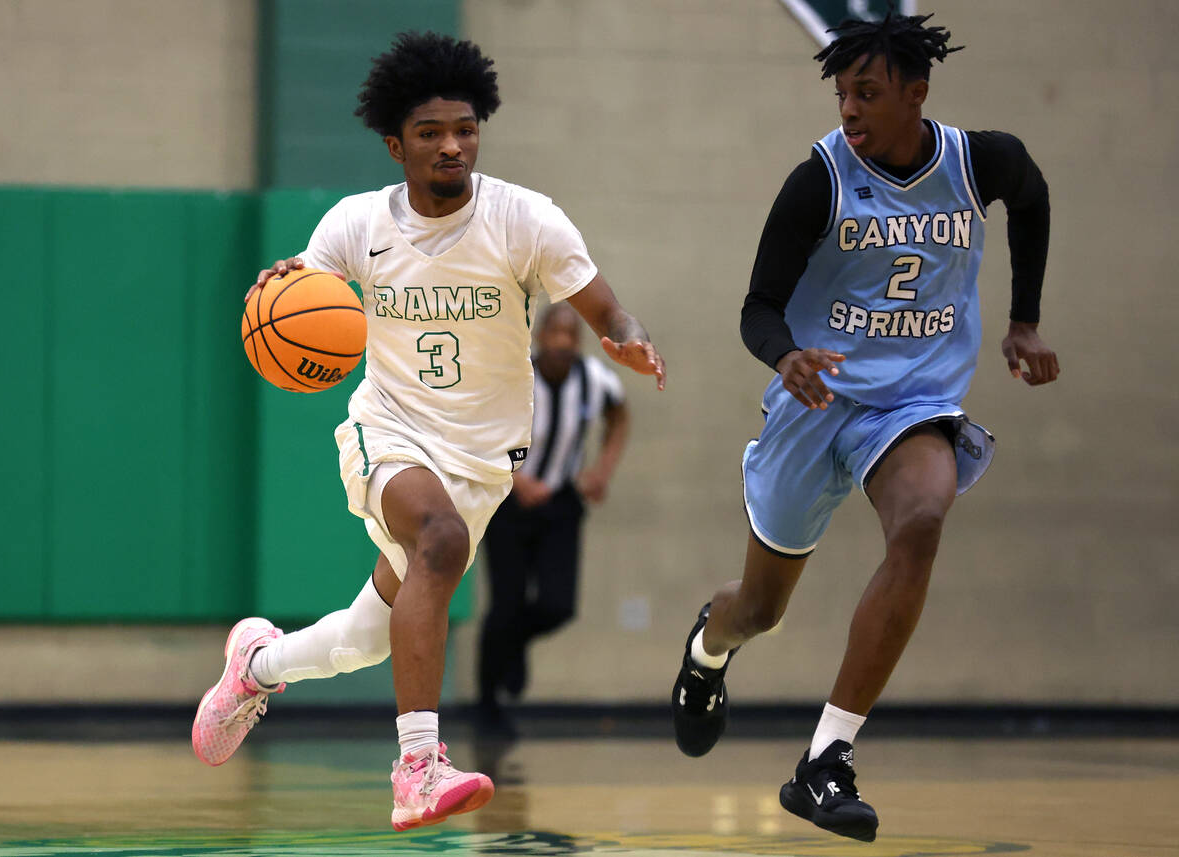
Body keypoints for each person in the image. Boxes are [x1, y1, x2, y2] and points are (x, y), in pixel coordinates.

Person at [190, 31, 665, 832]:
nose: (452, 145)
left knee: (366, 639)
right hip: (390, 433)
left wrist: (626, 333)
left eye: (466, 129)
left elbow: (603, 305)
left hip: (482, 460)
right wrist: (281, 282)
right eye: (431, 132)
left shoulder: (525, 218)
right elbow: (302, 289)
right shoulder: (357, 223)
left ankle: (257, 664)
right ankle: (417, 768)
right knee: (438, 541)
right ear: (394, 143)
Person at [669, 10, 1058, 844]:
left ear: (917, 94)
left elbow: (1032, 196)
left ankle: (825, 761)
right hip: (816, 402)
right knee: (761, 610)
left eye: (868, 93)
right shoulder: (820, 179)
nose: (849, 109)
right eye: (844, 93)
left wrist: (1023, 319)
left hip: (913, 401)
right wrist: (785, 359)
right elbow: (757, 307)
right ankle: (708, 647)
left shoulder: (980, 159)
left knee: (921, 520)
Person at [477, 302, 630, 731]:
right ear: (540, 337)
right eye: (555, 333)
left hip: (561, 503)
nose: (563, 342)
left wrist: (602, 470)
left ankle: (515, 645)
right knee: (504, 606)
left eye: (571, 335)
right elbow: (481, 427)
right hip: (508, 500)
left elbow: (619, 417)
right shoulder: (514, 378)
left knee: (558, 605)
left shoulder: (593, 379)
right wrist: (515, 478)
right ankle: (488, 705)